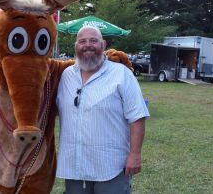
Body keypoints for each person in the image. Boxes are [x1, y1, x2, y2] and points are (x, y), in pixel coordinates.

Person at [56, 26, 150, 194]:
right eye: (82, 41)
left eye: (93, 40)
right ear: (76, 46)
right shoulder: (66, 75)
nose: (88, 45)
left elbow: (137, 117)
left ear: (103, 44)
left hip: (110, 167)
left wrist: (135, 154)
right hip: (75, 168)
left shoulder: (122, 74)